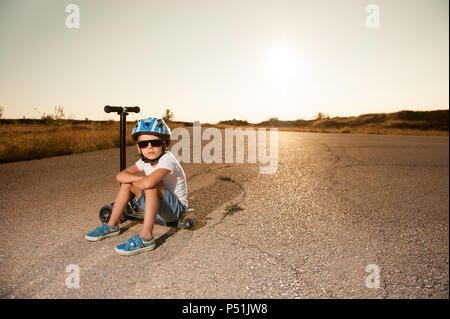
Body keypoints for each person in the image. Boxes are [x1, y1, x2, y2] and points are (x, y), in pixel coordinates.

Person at [85, 117, 188, 256]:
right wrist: (139, 178)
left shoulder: (167, 160)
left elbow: (149, 184)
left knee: (152, 185)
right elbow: (120, 176)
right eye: (144, 144)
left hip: (174, 210)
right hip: (157, 205)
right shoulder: (144, 161)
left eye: (155, 143)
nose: (150, 147)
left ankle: (146, 237)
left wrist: (144, 181)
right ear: (139, 148)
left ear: (164, 145)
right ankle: (111, 226)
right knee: (127, 184)